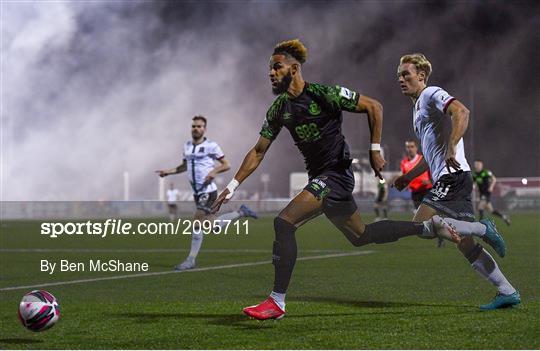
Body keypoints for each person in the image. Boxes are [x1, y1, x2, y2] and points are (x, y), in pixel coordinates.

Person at [211, 39, 502, 320]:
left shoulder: (324, 94)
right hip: (322, 179)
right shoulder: (279, 110)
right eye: (270, 69)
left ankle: (277, 301)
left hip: (336, 175)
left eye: (276, 67)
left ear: (294, 69)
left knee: (283, 221)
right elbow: (259, 150)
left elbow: (373, 106)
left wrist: (375, 150)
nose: (271, 73)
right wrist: (232, 185)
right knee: (361, 236)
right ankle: (430, 227)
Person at [393, 53, 520, 310]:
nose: (401, 79)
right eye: (399, 75)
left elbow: (461, 111)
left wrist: (452, 146)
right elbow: (429, 157)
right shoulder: (416, 109)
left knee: (420, 224)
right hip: (451, 176)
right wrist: (408, 176)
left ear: (421, 76)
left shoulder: (431, 94)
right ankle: (507, 291)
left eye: (406, 74)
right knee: (464, 243)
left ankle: (483, 229)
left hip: (453, 176)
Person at [156, 115, 258, 271]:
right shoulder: (187, 146)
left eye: (199, 126)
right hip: (197, 193)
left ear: (204, 129)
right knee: (212, 226)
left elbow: (226, 164)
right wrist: (168, 172)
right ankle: (240, 212)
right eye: (194, 126)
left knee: (197, 220)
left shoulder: (212, 146)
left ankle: (190, 260)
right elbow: (184, 166)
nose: (196, 129)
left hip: (208, 191)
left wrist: (214, 171)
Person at [399, 140, 442, 247]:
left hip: (427, 190)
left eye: (412, 146)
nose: (410, 149)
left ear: (416, 148)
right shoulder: (404, 163)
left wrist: (430, 181)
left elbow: (434, 172)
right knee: (420, 217)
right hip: (415, 192)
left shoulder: (422, 159)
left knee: (431, 214)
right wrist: (404, 184)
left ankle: (440, 234)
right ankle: (434, 233)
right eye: (408, 147)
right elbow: (405, 176)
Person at [473, 160, 511, 225]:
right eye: (476, 164)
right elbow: (474, 183)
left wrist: (491, 187)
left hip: (487, 193)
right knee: (491, 211)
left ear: (481, 165)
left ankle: (480, 224)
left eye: (478, 164)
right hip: (481, 193)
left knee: (480, 207)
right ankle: (504, 217)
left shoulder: (486, 172)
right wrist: (473, 187)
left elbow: (494, 179)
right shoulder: (475, 174)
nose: (477, 166)